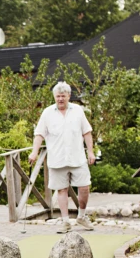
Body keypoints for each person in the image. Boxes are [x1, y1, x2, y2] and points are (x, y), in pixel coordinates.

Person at [29, 81, 96, 234]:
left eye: (63, 96)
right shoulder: (47, 113)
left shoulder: (78, 110)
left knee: (84, 187)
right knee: (61, 190)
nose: (60, 99)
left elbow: (87, 132)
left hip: (77, 157)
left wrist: (91, 152)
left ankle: (82, 216)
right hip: (57, 158)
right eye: (58, 96)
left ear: (69, 96)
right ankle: (65, 222)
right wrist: (34, 152)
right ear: (54, 97)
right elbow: (39, 134)